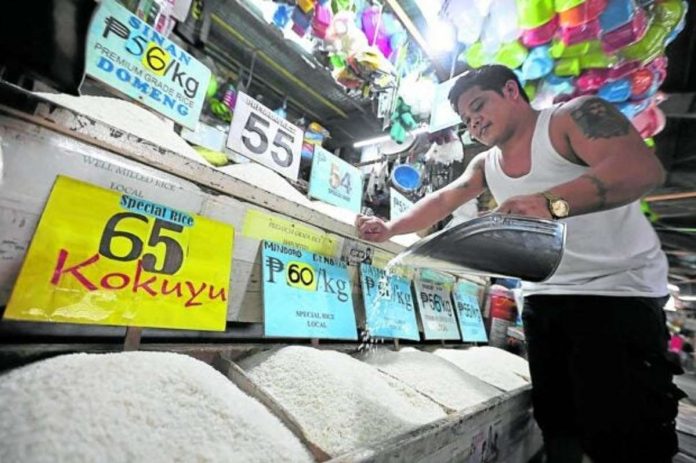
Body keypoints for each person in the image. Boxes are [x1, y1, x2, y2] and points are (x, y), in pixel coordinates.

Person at [355, 64, 685, 463]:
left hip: (616, 293)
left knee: (624, 431)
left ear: (512, 91)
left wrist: (551, 203)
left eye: (479, 105)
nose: (474, 122)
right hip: (544, 297)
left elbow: (641, 169)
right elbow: (444, 199)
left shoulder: (570, 119)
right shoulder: (485, 165)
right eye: (466, 119)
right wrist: (390, 228)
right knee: (557, 421)